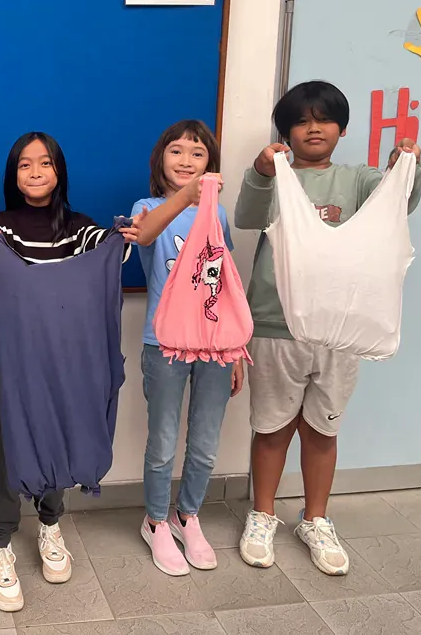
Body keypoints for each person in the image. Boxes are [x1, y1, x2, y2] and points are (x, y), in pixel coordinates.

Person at [234, 81, 421, 576]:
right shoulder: (277, 177)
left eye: (323, 119)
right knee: (272, 427)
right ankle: (263, 514)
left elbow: (396, 205)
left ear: (340, 129)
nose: (312, 128)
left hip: (342, 328)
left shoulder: (358, 180)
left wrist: (409, 166)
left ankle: (315, 518)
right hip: (275, 324)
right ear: (286, 132)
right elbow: (247, 217)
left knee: (322, 427)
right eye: (300, 120)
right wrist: (258, 173)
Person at [0, 131, 131, 612]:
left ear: (59, 171)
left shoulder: (80, 229)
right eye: (24, 164)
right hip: (17, 358)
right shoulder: (2, 226)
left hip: (69, 357)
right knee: (8, 445)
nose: (35, 172)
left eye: (44, 163)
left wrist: (150, 221)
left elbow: (112, 252)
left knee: (59, 433)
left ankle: (51, 522)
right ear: (12, 175)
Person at [124, 120, 243, 577]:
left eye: (198, 154)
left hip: (215, 346)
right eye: (177, 151)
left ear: (210, 163)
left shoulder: (221, 215)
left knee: (206, 442)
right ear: (160, 160)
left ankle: (187, 516)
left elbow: (227, 280)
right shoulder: (148, 206)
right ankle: (155, 522)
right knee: (163, 443)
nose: (187, 161)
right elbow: (147, 235)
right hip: (166, 344)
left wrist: (235, 349)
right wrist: (188, 196)